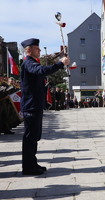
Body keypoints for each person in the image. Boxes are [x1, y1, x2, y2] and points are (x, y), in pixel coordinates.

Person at [20, 38, 70, 175]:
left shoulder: (31, 63)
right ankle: (28, 167)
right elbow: (41, 70)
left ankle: (32, 163)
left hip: (35, 105)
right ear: (29, 50)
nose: (40, 50)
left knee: (34, 136)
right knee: (30, 137)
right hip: (31, 105)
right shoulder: (28, 63)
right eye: (37, 48)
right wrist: (60, 64)